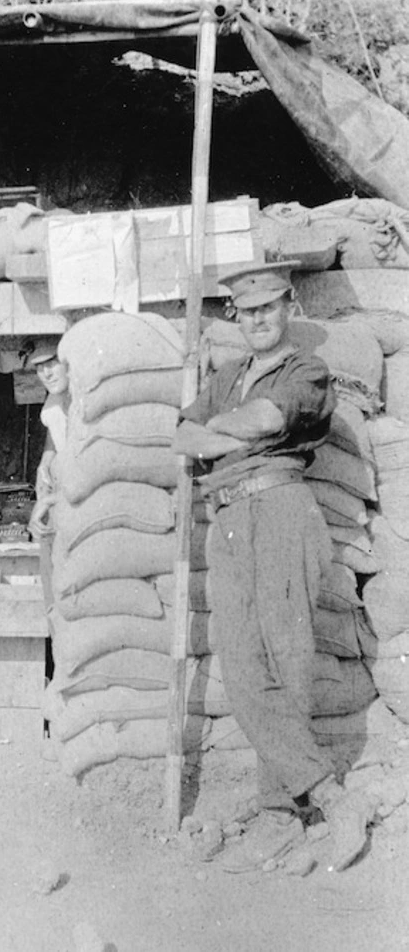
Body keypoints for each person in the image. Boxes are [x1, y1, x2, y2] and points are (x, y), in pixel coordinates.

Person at [172, 261, 373, 874]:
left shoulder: (305, 370)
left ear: (287, 308)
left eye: (267, 308)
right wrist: (220, 432)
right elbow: (182, 435)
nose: (257, 319)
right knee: (241, 663)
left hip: (282, 508)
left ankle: (283, 810)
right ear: (235, 316)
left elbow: (271, 418)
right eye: (246, 310)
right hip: (228, 520)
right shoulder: (229, 374)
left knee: (285, 658)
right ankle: (328, 797)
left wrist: (223, 434)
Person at [24, 338, 69, 608]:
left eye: (52, 363)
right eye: (39, 367)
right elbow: (55, 433)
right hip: (59, 501)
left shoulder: (81, 401)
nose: (46, 373)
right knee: (51, 590)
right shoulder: (54, 398)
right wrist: (44, 461)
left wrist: (48, 501)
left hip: (76, 502)